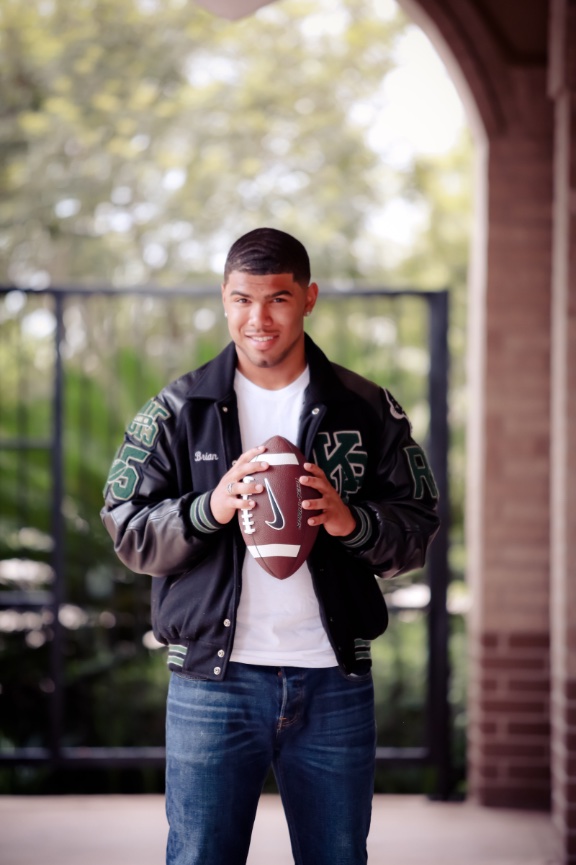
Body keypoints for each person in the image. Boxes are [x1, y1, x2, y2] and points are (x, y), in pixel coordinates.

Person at [101, 227, 440, 865]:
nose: (258, 318)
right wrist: (209, 508)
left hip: (333, 679)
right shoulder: (177, 409)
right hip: (213, 684)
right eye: (242, 299)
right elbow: (127, 528)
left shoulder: (365, 407)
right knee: (200, 856)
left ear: (309, 297)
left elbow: (417, 527)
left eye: (278, 299)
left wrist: (350, 521)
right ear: (224, 299)